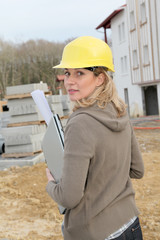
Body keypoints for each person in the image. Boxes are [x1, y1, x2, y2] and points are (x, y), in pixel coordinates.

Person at [46, 36, 144, 240]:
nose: (69, 81)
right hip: (131, 226)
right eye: (67, 73)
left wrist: (51, 184)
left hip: (95, 233)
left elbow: (69, 197)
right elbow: (137, 169)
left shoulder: (79, 123)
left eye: (79, 73)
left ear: (100, 78)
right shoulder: (120, 111)